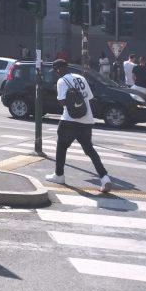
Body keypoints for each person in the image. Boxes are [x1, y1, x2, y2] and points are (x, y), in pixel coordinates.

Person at [45, 59, 112, 193]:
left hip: (69, 120)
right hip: (87, 119)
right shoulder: (80, 77)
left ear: (59, 69)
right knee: (90, 150)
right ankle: (104, 177)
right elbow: (90, 98)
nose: (56, 73)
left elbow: (62, 102)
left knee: (61, 147)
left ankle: (59, 175)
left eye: (56, 71)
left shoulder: (62, 81)